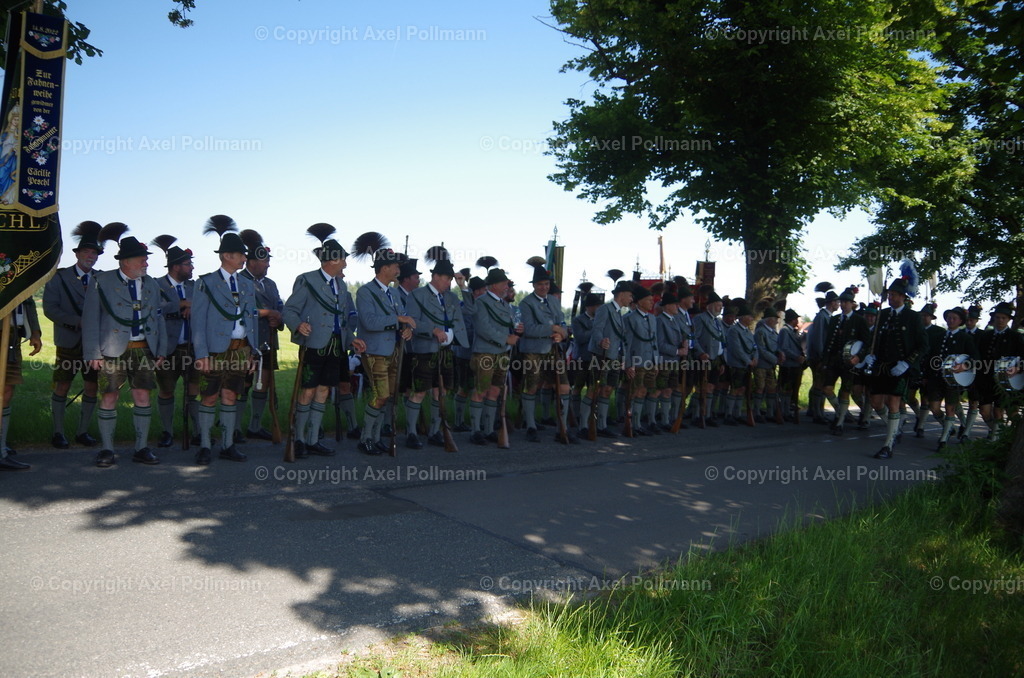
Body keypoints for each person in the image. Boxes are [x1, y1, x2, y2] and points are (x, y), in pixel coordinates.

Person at [82, 233, 167, 467]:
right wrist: (92, 353)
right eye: (141, 259)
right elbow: (90, 319)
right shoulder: (101, 281)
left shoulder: (151, 283)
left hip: (144, 349)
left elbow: (158, 319)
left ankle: (141, 448)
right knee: (109, 396)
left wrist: (161, 349)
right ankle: (107, 450)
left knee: (142, 396)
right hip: (111, 350)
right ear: (125, 262)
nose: (146, 263)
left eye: (145, 259)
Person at [282, 224, 364, 457]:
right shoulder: (306, 280)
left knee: (324, 391)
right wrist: (298, 324)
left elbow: (344, 321)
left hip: (336, 345)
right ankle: (298, 439)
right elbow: (290, 310)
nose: (346, 263)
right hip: (313, 344)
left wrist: (351, 341)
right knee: (307, 391)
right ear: (332, 260)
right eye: (343, 259)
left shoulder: (342, 285)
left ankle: (312, 438)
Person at [191, 216, 261, 465]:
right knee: (209, 396)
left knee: (232, 395)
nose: (245, 258)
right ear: (227, 256)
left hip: (241, 350)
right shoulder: (205, 283)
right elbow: (197, 322)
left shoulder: (246, 284)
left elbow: (251, 319)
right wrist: (201, 355)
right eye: (241, 255)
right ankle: (206, 445)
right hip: (215, 351)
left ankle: (228, 445)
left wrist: (253, 352)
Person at [42, 221, 118, 449]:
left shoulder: (102, 279)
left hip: (93, 345)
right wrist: (78, 322)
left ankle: (82, 432)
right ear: (77, 253)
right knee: (62, 386)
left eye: (94, 253)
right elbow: (50, 309)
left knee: (92, 387)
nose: (91, 256)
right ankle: (58, 432)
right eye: (86, 251)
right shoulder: (59, 277)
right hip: (68, 341)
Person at [353, 233, 415, 455]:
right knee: (379, 395)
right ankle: (365, 438)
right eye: (395, 265)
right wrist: (399, 320)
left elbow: (403, 316)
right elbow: (369, 322)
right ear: (384, 268)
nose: (398, 269)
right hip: (375, 351)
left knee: (387, 397)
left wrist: (406, 329)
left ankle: (376, 437)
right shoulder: (365, 292)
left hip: (395, 350)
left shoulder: (395, 293)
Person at [404, 247, 469, 448]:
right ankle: (411, 433)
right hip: (424, 350)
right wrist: (433, 330)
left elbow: (470, 311)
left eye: (451, 280)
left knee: (440, 392)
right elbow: (412, 322)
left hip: (446, 352)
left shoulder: (451, 297)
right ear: (436, 276)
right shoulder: (417, 295)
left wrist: (463, 288)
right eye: (447, 279)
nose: (449, 283)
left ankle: (435, 431)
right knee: (419, 392)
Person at [864, 277, 928, 459]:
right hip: (881, 366)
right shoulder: (882, 314)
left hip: (900, 368)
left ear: (902, 296)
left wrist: (907, 362)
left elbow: (923, 345)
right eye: (889, 294)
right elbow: (874, 340)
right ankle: (896, 427)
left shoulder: (913, 317)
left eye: (893, 295)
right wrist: (870, 354)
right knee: (876, 402)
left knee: (893, 403)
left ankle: (888, 445)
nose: (890, 297)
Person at [151, 235, 199, 448]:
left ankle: (198, 431)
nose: (192, 267)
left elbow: (205, 306)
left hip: (192, 348)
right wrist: (179, 304)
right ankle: (167, 431)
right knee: (166, 390)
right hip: (167, 349)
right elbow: (153, 309)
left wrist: (191, 306)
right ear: (176, 266)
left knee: (194, 390)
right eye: (188, 264)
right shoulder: (155, 285)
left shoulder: (195, 287)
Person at [517, 261, 572, 443]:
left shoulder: (554, 301)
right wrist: (552, 330)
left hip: (554, 350)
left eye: (547, 284)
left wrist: (561, 334)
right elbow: (529, 329)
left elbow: (562, 323)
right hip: (534, 350)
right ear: (534, 285)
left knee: (564, 387)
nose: (544, 287)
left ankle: (562, 427)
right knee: (532, 387)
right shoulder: (526, 303)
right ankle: (531, 426)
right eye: (540, 284)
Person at [238, 229, 285, 441]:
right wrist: (268, 313)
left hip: (267, 341)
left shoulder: (271, 284)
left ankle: (254, 426)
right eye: (265, 261)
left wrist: (279, 318)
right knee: (242, 384)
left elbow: (280, 308)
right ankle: (235, 428)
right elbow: (239, 310)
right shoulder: (238, 281)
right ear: (252, 262)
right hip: (245, 342)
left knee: (263, 382)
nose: (268, 265)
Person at [467, 267, 521, 445]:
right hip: (485, 353)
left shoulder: (505, 304)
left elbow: (507, 324)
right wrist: (505, 338)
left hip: (502, 353)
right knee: (481, 390)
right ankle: (476, 430)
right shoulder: (481, 302)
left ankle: (489, 429)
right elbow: (483, 328)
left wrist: (517, 330)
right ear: (495, 285)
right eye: (504, 282)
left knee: (495, 391)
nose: (507, 285)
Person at [587, 278, 634, 437]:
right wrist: (601, 341)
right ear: (621, 295)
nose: (631, 299)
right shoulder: (605, 309)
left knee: (607, 390)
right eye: (629, 296)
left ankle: (602, 425)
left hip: (613, 357)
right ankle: (584, 426)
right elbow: (597, 329)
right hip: (602, 355)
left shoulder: (619, 313)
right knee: (594, 390)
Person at [821, 287, 870, 436]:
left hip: (850, 362)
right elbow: (828, 341)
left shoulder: (859, 320)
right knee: (827, 389)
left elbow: (867, 343)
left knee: (845, 391)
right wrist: (824, 361)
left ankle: (840, 421)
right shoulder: (835, 319)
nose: (843, 305)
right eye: (842, 302)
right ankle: (841, 413)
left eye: (847, 302)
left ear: (852, 304)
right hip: (833, 360)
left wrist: (859, 357)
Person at [930, 307, 979, 449]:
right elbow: (931, 356)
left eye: (954, 318)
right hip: (936, 377)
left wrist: (965, 365)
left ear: (960, 321)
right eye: (949, 318)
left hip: (954, 379)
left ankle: (943, 439)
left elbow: (975, 357)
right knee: (934, 407)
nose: (950, 321)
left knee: (950, 408)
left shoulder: (965, 338)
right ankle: (949, 428)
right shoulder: (939, 336)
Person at [1, 299, 41, 470]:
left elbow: (28, 302)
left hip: (14, 336)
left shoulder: (19, 272)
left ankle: (1, 449)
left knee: (7, 391)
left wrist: (35, 332)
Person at [975, 302, 1023, 441]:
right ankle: (1000, 434)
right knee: (984, 412)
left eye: (1003, 318)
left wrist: (1018, 367)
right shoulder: (985, 336)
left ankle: (996, 440)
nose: (1000, 320)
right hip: (985, 379)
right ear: (993, 318)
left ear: (1008, 319)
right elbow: (977, 355)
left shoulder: (1015, 337)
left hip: (1006, 381)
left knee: (999, 411)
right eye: (998, 317)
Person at [623, 283, 659, 435]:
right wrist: (628, 364)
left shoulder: (652, 318)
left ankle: (638, 424)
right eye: (648, 300)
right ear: (639, 302)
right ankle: (630, 424)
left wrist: (656, 362)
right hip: (636, 360)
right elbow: (627, 342)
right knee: (633, 392)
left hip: (649, 360)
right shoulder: (629, 318)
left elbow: (654, 341)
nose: (652, 302)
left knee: (643, 391)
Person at [692, 289, 725, 426]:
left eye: (721, 306)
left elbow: (721, 342)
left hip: (716, 359)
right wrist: (700, 353)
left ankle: (707, 414)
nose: (720, 308)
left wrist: (722, 361)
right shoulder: (700, 319)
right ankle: (696, 415)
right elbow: (694, 338)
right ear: (709, 306)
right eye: (718, 305)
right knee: (702, 388)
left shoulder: (718, 322)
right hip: (704, 358)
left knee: (711, 387)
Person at [807, 284, 840, 423]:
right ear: (832, 303)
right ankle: (817, 414)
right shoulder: (822, 316)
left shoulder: (828, 316)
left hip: (822, 356)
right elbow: (819, 338)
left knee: (820, 384)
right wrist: (822, 357)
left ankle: (817, 411)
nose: (839, 304)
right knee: (819, 385)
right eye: (837, 302)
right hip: (819, 357)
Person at [571, 286, 601, 434]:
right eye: (596, 306)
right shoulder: (578, 321)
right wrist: (595, 329)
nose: (598, 308)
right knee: (577, 387)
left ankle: (587, 418)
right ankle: (574, 416)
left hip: (595, 358)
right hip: (581, 358)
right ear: (589, 307)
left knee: (592, 389)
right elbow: (580, 338)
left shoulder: (600, 320)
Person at [723, 303, 757, 426]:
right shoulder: (734, 330)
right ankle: (729, 414)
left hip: (747, 365)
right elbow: (736, 349)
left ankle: (737, 414)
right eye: (749, 316)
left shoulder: (748, 332)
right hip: (737, 364)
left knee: (742, 389)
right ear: (742, 317)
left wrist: (755, 359)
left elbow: (754, 347)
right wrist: (748, 361)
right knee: (734, 389)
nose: (751, 319)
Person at [753, 305, 784, 423]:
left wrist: (780, 353)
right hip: (761, 364)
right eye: (775, 318)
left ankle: (770, 412)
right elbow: (761, 349)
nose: (777, 321)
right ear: (769, 319)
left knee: (771, 389)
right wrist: (775, 359)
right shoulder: (761, 332)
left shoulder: (773, 333)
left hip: (770, 365)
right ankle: (756, 412)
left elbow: (776, 346)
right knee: (760, 388)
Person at [776, 308, 805, 422]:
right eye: (796, 319)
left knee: (790, 391)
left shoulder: (793, 331)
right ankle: (783, 411)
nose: (797, 321)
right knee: (785, 390)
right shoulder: (785, 331)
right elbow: (784, 348)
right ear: (793, 320)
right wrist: (796, 357)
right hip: (788, 365)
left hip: (795, 365)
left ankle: (787, 411)